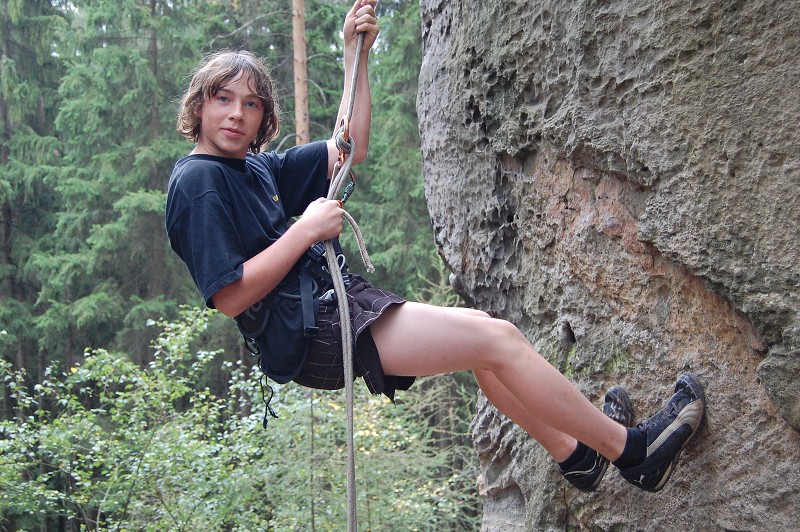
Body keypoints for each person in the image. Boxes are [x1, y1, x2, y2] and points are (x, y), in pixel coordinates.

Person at [165, 0, 706, 494]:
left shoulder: (256, 169)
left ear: (263, 117)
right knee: (497, 339)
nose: (236, 114)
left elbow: (350, 147)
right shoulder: (198, 182)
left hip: (330, 311)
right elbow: (230, 296)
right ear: (200, 106)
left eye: (251, 104)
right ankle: (633, 453)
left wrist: (356, 57)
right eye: (223, 99)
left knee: (486, 346)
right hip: (312, 332)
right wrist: (303, 232)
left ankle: (576, 454)